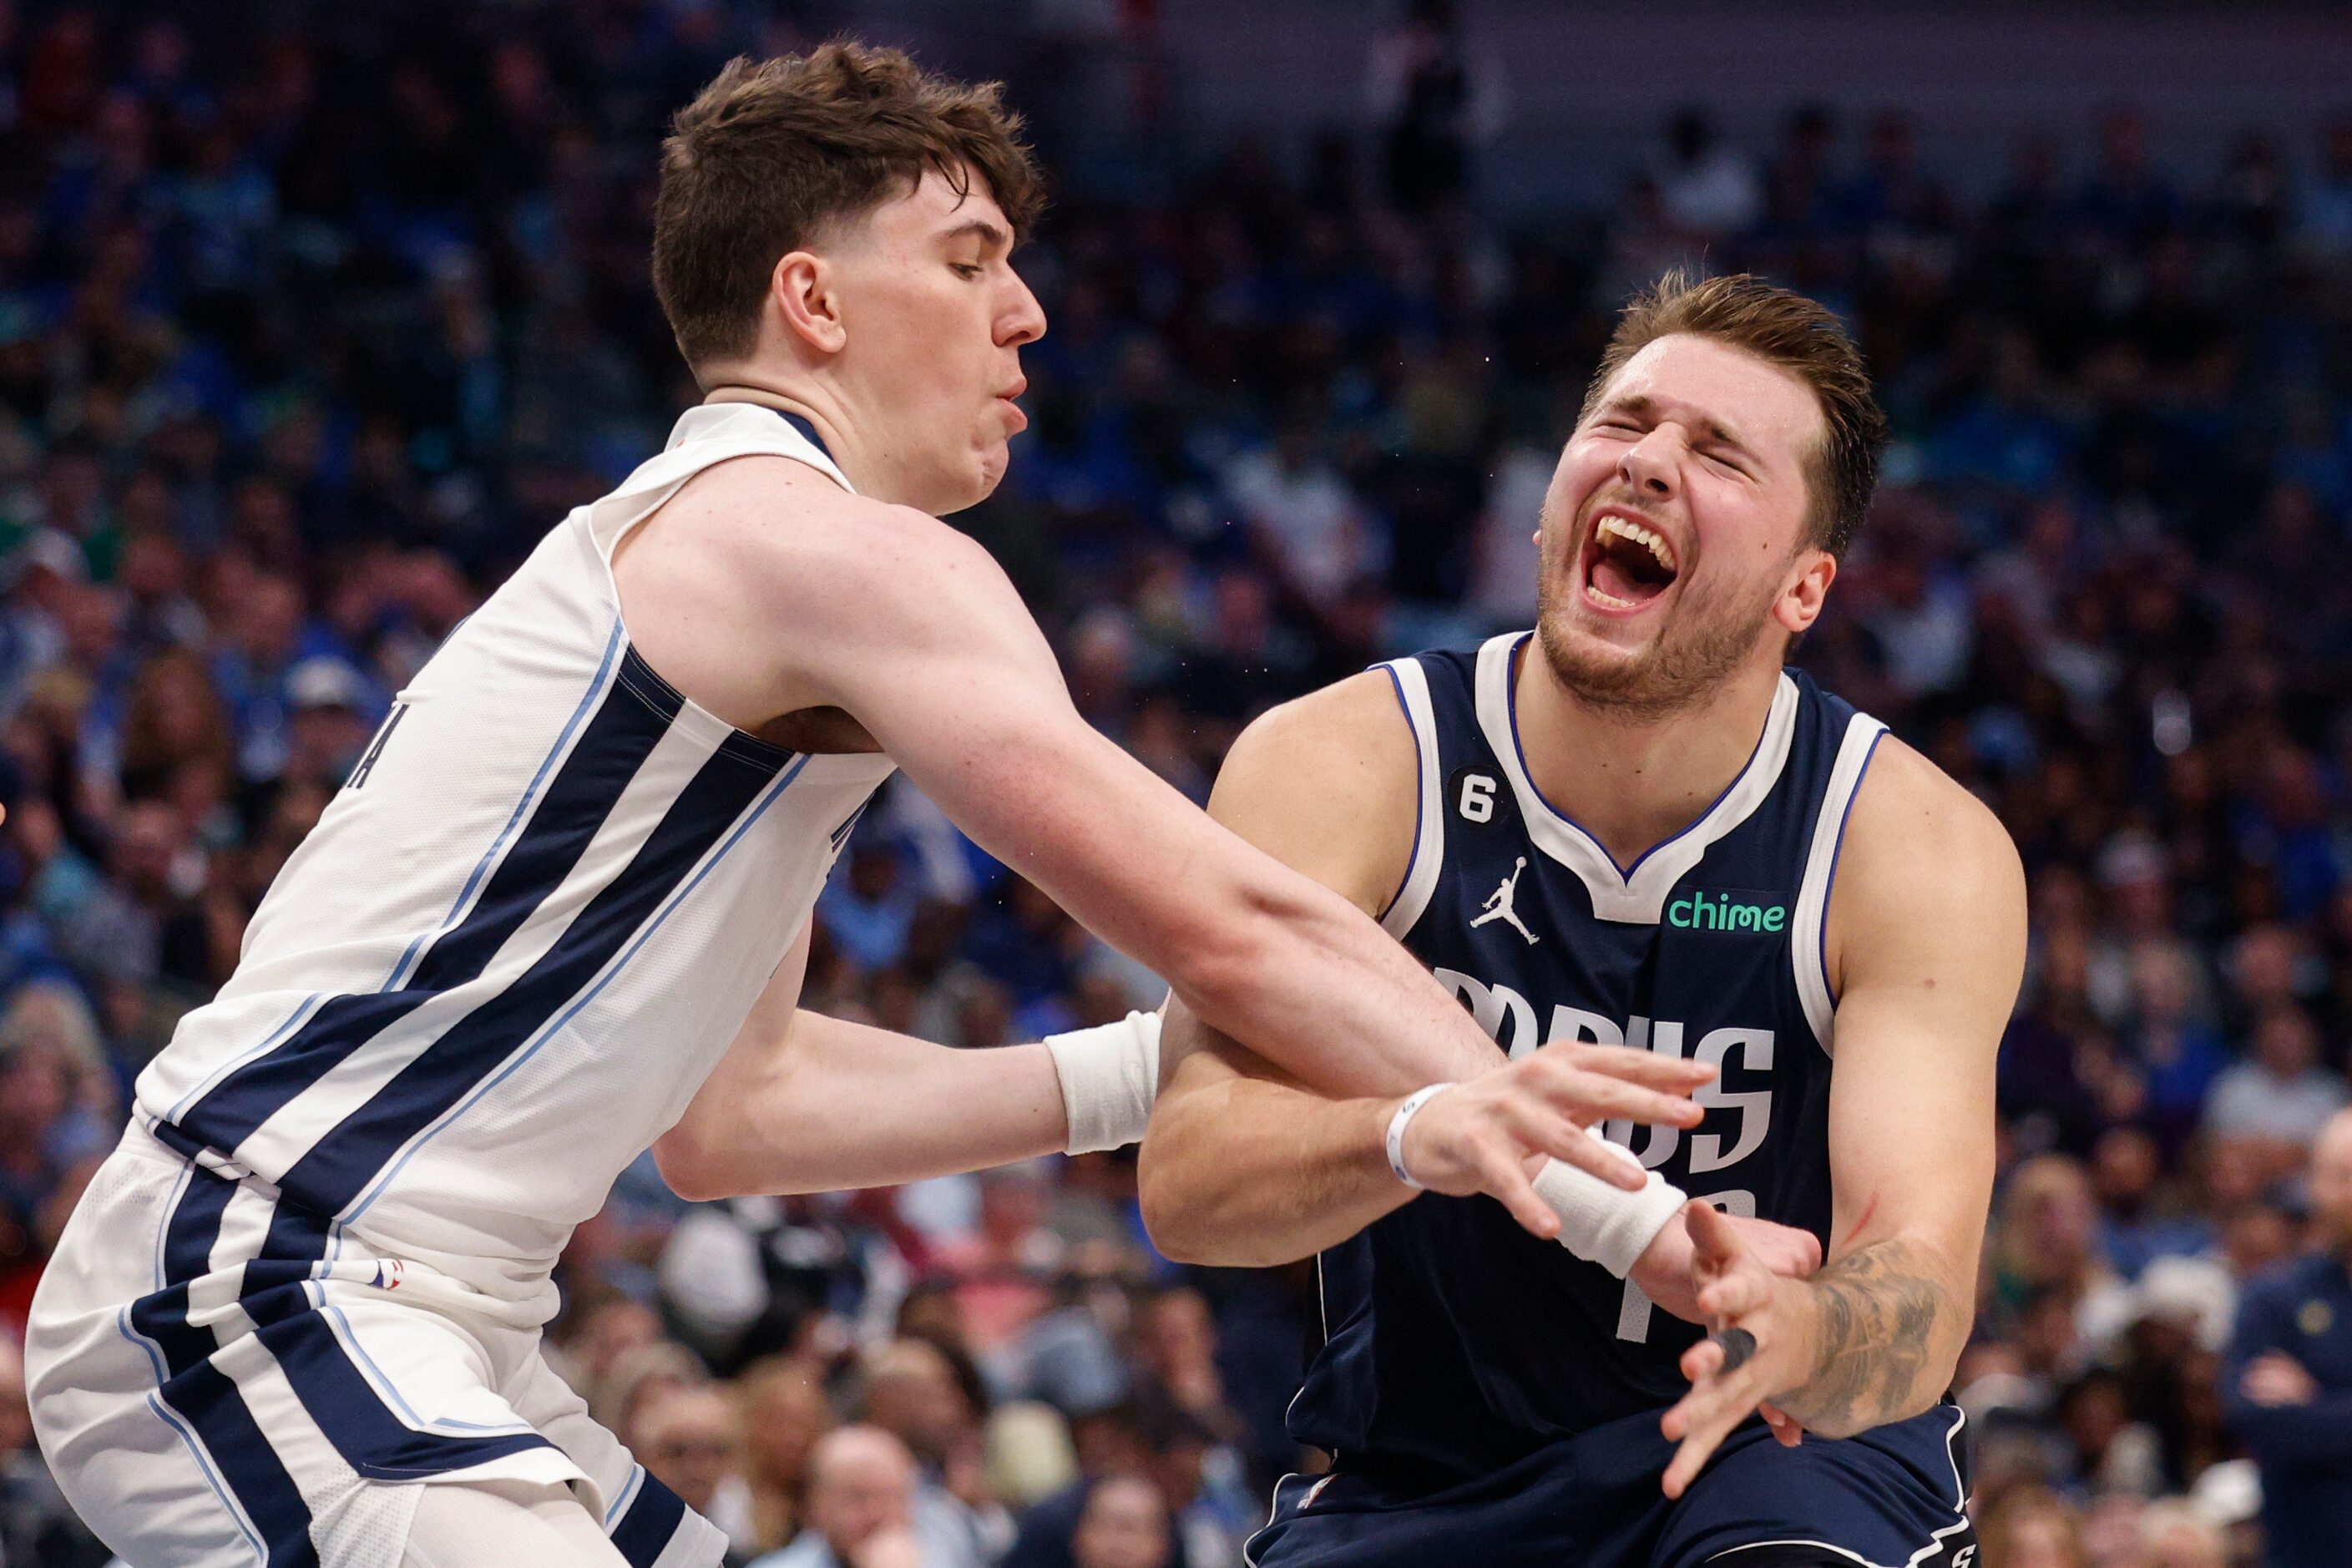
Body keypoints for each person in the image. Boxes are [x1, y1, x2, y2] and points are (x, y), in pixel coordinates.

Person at [23, 42, 1706, 1568]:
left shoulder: (731, 579)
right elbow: (1236, 921)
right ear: (813, 304)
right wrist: (1633, 1215)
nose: (1027, 312)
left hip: (414, 1314)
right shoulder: (825, 546)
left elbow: (737, 1113)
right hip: (269, 1278)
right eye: (971, 263)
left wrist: (1148, 1076)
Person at [1140, 272, 2028, 1565]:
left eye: (1718, 452)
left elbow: (1921, 1287)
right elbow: (1189, 1182)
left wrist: (1807, 1332)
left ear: (1803, 588)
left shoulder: (1908, 842)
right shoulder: (1349, 761)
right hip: (1428, 1475)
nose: (1651, 462)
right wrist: (1419, 1130)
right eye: (1622, 424)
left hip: (1777, 1457)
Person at [2222, 1105, 2352, 1565]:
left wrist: (2315, 1402)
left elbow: (2303, 1426)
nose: (2332, 1193)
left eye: (2345, 1177)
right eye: (2327, 1176)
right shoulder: (2272, 1300)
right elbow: (2262, 1423)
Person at [749, 1424, 923, 1568]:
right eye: (858, 1497)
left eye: (890, 1497)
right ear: (817, 1506)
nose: (876, 1513)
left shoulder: (942, 1558)